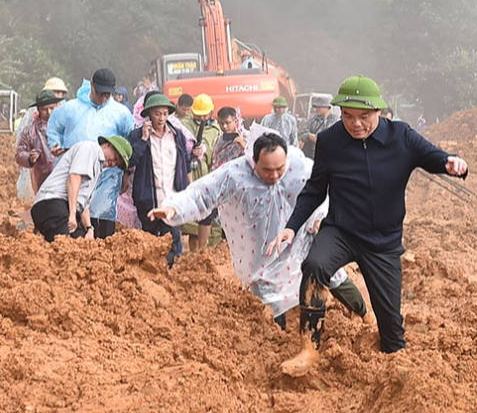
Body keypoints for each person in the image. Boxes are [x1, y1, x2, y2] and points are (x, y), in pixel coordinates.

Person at [267, 75, 469, 376]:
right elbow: (314, 190)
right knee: (315, 264)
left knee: (392, 335)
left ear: (378, 111)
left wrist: (451, 163)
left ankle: (391, 360)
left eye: (364, 117)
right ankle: (309, 348)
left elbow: (433, 156)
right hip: (342, 232)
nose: (355, 124)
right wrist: (292, 226)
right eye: (348, 116)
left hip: (383, 243)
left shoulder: (401, 136)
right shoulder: (331, 141)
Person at [148, 132, 370, 328]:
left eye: (279, 168)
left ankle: (363, 312)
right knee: (269, 294)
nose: (274, 175)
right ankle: (280, 337)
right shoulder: (234, 175)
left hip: (301, 235)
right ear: (254, 161)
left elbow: (325, 193)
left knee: (330, 272)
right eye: (267, 170)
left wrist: (321, 218)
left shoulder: (301, 168)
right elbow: (202, 194)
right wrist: (173, 209)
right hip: (263, 249)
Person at [47, 68, 135, 239]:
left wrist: (126, 173)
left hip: (107, 179)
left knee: (103, 227)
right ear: (92, 86)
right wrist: (54, 144)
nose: (103, 98)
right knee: (72, 225)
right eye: (100, 93)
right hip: (76, 176)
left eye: (107, 95)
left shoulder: (121, 113)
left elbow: (127, 144)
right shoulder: (70, 108)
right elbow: (54, 127)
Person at [128, 94, 191, 266]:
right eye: (157, 114)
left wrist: (188, 188)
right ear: (149, 114)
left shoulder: (177, 135)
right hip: (148, 200)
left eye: (164, 113)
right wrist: (143, 139)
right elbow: (130, 161)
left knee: (171, 240)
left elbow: (186, 161)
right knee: (149, 241)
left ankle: (167, 273)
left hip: (172, 199)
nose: (161, 118)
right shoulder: (136, 135)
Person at [30, 136, 132, 242]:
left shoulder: (97, 167)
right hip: (53, 204)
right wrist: (72, 215)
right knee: (74, 248)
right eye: (115, 157)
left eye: (117, 164)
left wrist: (89, 228)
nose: (113, 163)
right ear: (108, 145)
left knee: (84, 245)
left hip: (59, 208)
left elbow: (84, 204)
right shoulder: (91, 149)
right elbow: (74, 177)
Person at [180, 93, 222, 251]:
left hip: (208, 176)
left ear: (211, 113)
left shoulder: (216, 129)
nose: (202, 118)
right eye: (199, 115)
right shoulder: (184, 125)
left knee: (207, 215)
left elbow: (217, 150)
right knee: (191, 221)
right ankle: (193, 253)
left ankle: (203, 252)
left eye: (205, 115)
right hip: (189, 175)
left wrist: (205, 150)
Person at [16, 77, 69, 200]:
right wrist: (29, 158)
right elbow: (19, 152)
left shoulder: (67, 123)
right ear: (38, 109)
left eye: (52, 108)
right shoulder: (30, 130)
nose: (49, 112)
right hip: (41, 179)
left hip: (64, 177)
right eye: (45, 109)